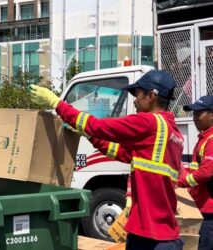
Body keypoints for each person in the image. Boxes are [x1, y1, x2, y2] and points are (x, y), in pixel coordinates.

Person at [29, 70, 184, 250]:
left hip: (153, 236)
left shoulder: (149, 123)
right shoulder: (173, 133)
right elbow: (121, 153)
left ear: (151, 96)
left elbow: (98, 126)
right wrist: (89, 135)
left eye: (138, 94)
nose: (134, 100)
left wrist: (57, 103)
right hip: (155, 230)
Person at [177, 95, 213, 250]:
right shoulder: (204, 138)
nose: (195, 118)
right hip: (203, 206)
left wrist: (180, 182)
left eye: (199, 113)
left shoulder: (211, 139)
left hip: (210, 209)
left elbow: (206, 172)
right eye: (193, 114)